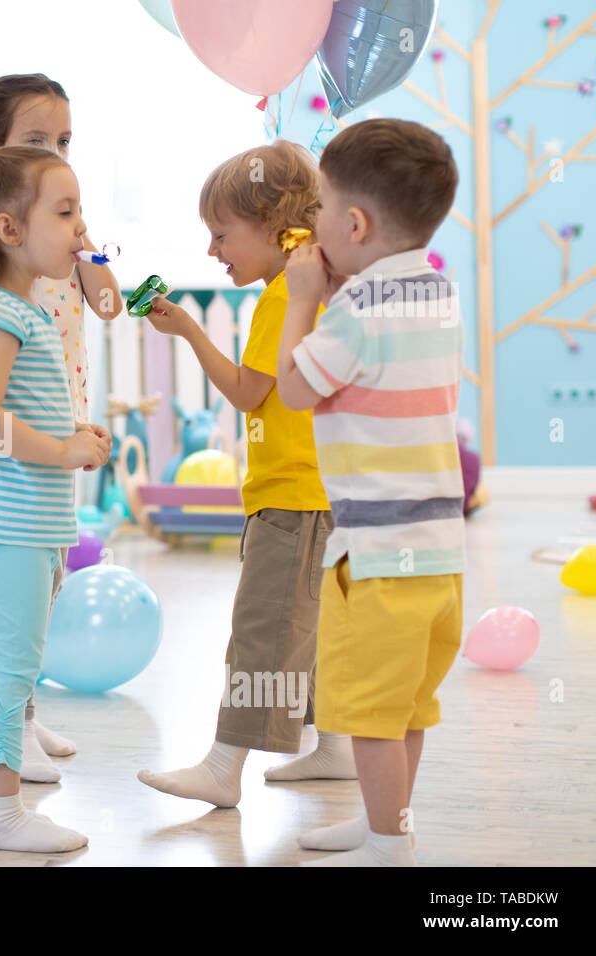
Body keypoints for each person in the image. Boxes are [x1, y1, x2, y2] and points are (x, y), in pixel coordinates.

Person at [138, 140, 351, 810]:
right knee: (309, 628)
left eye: (221, 234)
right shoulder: (313, 286)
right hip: (325, 494)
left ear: (272, 224)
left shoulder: (283, 296)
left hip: (292, 495)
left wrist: (191, 333)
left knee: (264, 628)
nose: (213, 251)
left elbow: (246, 391)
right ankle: (336, 752)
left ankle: (223, 767)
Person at [276, 118, 463, 866]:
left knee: (372, 719)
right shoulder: (436, 291)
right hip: (439, 555)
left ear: (354, 224)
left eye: (320, 208)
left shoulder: (353, 313)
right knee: (407, 707)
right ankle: (387, 821)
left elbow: (293, 388)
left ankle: (388, 847)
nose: (313, 222)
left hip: (377, 558)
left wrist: (302, 301)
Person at [0, 144, 109, 851]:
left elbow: (17, 408)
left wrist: (70, 434)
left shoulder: (27, 308)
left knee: (4, 666)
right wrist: (66, 449)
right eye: (65, 213)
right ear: (10, 231)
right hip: (8, 525)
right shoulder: (4, 316)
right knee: (14, 670)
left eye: (81, 213)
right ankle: (4, 815)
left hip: (25, 522)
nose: (79, 230)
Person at [0, 73, 124, 782]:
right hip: (27, 451)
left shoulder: (55, 249)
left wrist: (86, 245)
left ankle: (17, 720)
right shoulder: (2, 282)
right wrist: (56, 448)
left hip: (55, 421)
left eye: (64, 141)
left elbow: (111, 304)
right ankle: (5, 746)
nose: (55, 151)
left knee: (38, 604)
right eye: (37, 141)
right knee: (16, 633)